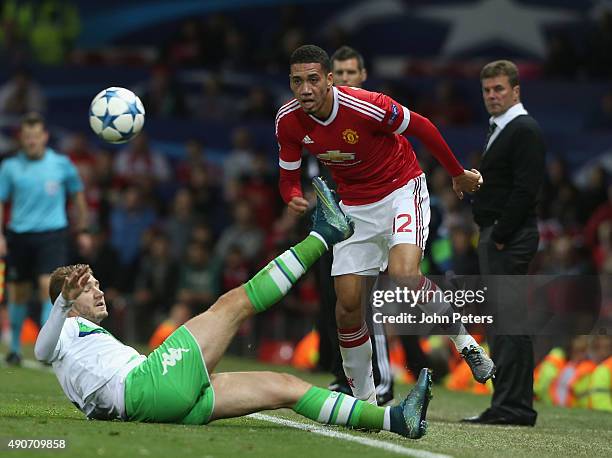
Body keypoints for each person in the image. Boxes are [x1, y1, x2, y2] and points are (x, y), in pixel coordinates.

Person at [34, 179, 432, 440]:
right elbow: (41, 350)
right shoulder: (64, 329)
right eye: (87, 289)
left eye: (95, 284)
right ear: (66, 304)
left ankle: (396, 421)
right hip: (146, 386)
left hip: (156, 401)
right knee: (233, 304)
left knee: (285, 387)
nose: (99, 292)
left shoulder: (82, 338)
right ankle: (325, 234)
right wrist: (65, 301)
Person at [276, 44, 495, 405]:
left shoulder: (366, 105)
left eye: (313, 80)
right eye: (297, 81)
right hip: (354, 208)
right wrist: (291, 196)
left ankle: (466, 344)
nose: (305, 89)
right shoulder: (288, 120)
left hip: (400, 191)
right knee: (346, 307)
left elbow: (422, 127)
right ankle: (364, 403)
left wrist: (456, 174)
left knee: (405, 274)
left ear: (329, 80)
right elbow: (288, 174)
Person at [463, 60, 546, 426]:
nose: (492, 96)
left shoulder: (522, 128)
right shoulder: (506, 128)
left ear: (516, 90)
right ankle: (508, 404)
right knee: (505, 324)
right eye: (487, 90)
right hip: (501, 234)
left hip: (507, 237)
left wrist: (500, 234)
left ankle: (513, 406)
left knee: (510, 324)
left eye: (499, 89)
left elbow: (527, 189)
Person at [314, 45, 393, 405]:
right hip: (336, 220)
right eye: (340, 74)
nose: (345, 79)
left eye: (351, 73)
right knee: (338, 302)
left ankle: (383, 382)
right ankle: (345, 376)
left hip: (376, 216)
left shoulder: (370, 114)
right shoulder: (319, 117)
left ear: (362, 76)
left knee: (367, 305)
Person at [0, 112, 90, 366]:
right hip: (19, 234)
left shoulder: (61, 164)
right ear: (21, 138)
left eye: (35, 136)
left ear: (44, 137)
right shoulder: (10, 167)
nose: (31, 141)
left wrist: (83, 230)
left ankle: (46, 348)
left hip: (52, 234)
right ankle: (15, 348)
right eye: (27, 137)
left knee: (45, 287)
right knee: (17, 293)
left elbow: (78, 196)